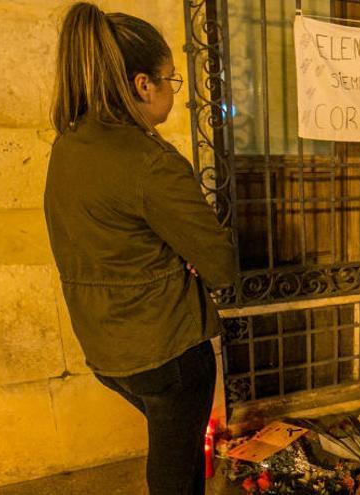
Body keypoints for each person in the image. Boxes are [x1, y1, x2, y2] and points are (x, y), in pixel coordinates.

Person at [43, 3, 237, 494]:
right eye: (171, 80)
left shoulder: (68, 144)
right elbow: (219, 264)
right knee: (174, 472)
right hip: (166, 351)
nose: (173, 91)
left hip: (106, 347)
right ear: (141, 84)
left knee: (178, 449)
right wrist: (193, 262)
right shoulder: (151, 163)